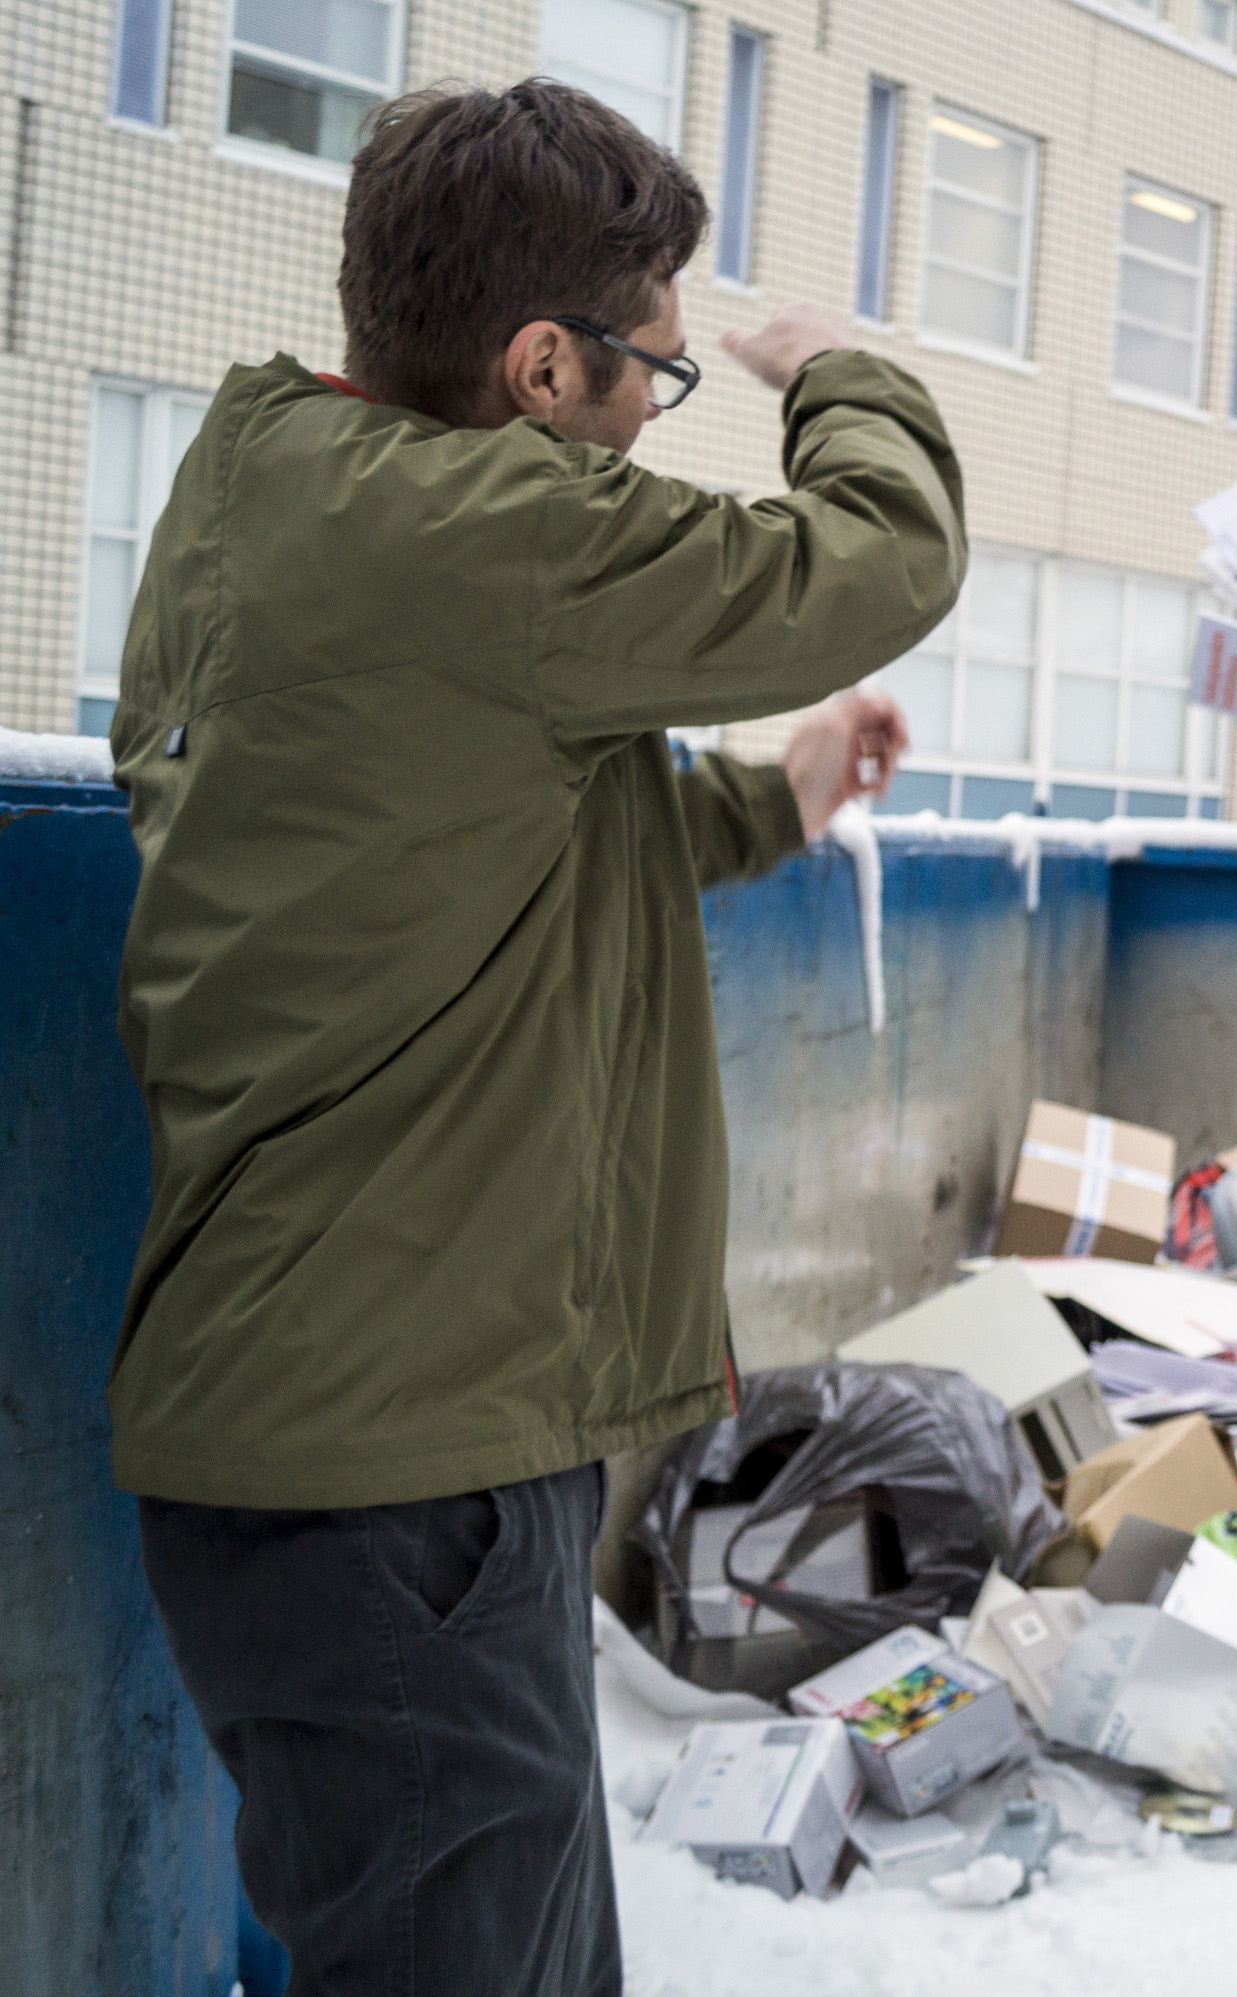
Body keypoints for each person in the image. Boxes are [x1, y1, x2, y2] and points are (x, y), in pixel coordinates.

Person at [103, 80, 964, 1993]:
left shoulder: (289, 500)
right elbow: (878, 557)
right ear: (541, 362)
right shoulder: (474, 533)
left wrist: (781, 797)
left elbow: (504, 820)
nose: (660, 415)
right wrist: (841, 375)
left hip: (354, 1457)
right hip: (399, 1479)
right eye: (654, 376)